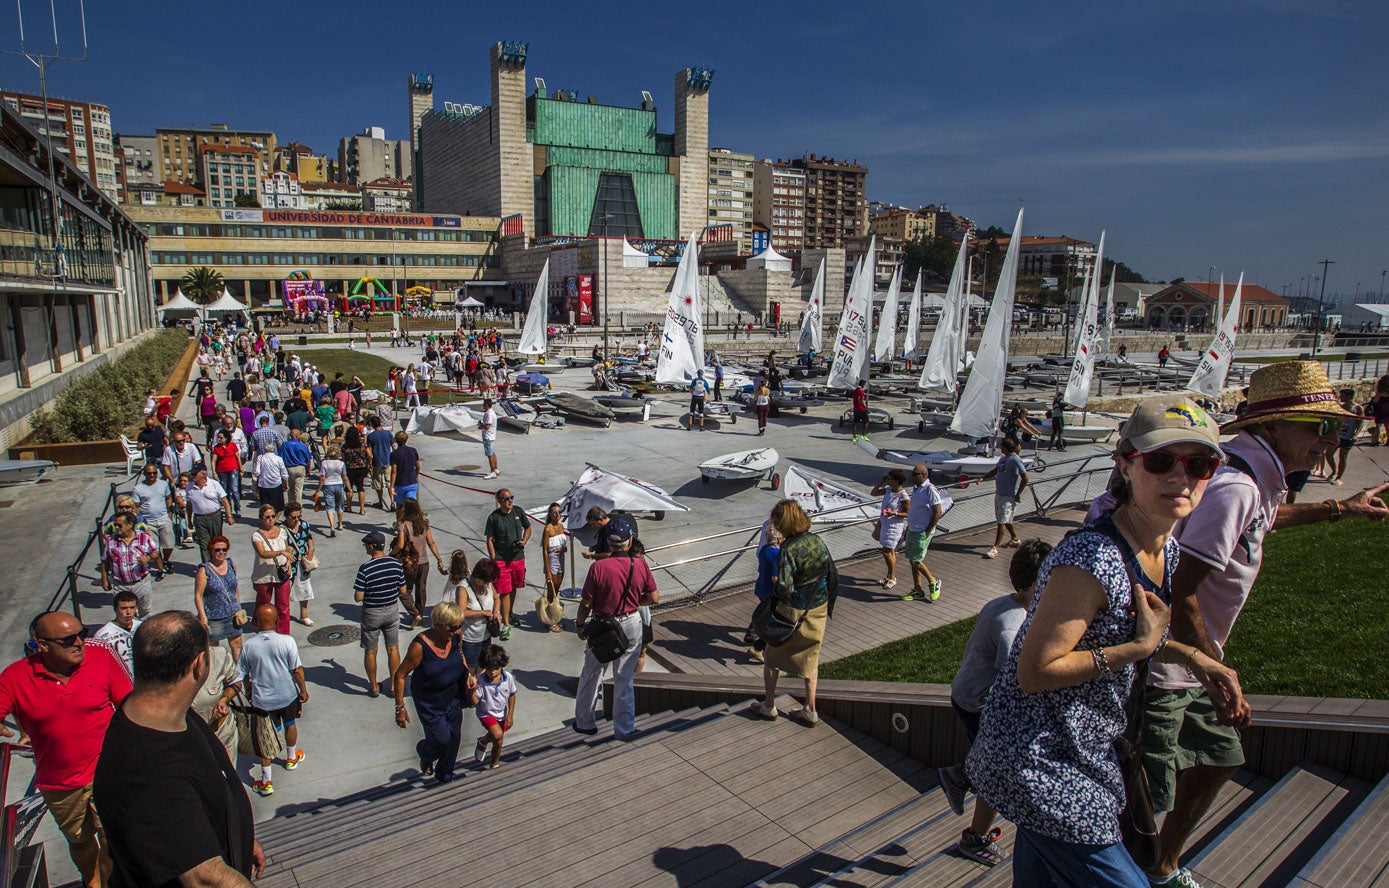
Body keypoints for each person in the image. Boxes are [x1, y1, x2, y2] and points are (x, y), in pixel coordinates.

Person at [966, 395, 1230, 887]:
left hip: (1081, 752)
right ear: (1126, 466)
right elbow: (1036, 670)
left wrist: (1199, 661)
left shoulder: (1163, 550)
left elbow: (1141, 632)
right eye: (1160, 460)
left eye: (1199, 463)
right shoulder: (1090, 558)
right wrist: (1137, 650)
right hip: (1039, 762)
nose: (1181, 475)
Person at [1142, 364, 1389, 887]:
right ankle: (1134, 870)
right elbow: (1180, 588)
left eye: (1334, 428)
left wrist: (1338, 509)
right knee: (1143, 798)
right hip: (1167, 667)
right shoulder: (1236, 484)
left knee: (1219, 759)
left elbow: (1263, 518)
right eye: (1319, 427)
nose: (1330, 440)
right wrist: (1212, 669)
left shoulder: (1253, 477)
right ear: (1276, 426)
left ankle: (1160, 867)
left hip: (1191, 663)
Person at [93, 612, 265, 886]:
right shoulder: (152, 773)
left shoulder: (164, 709)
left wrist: (241, 836)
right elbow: (205, 879)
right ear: (199, 664)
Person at [937, 539, 1054, 866]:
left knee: (997, 766)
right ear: (1034, 584)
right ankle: (965, 795)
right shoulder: (1013, 626)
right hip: (980, 703)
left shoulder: (1005, 604)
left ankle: (964, 779)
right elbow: (1016, 684)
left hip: (968, 693)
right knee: (1000, 770)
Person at [0, 611, 131, 888]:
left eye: (81, 634)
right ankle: (91, 880)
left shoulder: (101, 656)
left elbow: (130, 705)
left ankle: (106, 883)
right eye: (68, 639)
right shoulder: (15, 676)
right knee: (80, 842)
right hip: (59, 783)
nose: (80, 642)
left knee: (114, 837)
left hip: (107, 772)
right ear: (42, 645)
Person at [751, 500, 838, 726]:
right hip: (817, 607)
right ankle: (810, 708)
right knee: (811, 659)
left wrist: (777, 585)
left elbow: (785, 588)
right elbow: (832, 574)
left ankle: (769, 705)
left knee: (772, 659)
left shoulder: (788, 549)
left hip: (791, 612)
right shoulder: (816, 541)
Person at [573, 517, 658, 739]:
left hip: (603, 624)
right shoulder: (640, 564)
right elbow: (654, 598)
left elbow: (587, 603)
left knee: (592, 673)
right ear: (629, 542)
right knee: (624, 677)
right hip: (631, 621)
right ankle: (624, 728)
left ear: (610, 543)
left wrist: (580, 624)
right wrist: (632, 602)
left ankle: (585, 722)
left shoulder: (598, 567)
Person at [392, 602, 476, 784]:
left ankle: (445, 776)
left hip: (452, 696)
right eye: (452, 628)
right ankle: (425, 752)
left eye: (459, 626)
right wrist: (400, 708)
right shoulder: (419, 647)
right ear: (438, 625)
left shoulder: (456, 637)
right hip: (430, 702)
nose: (457, 631)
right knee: (442, 739)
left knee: (454, 738)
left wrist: (467, 673)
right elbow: (400, 675)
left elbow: (460, 655)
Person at [239, 605, 308, 797]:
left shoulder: (248, 646)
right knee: (290, 724)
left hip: (263, 700)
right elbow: (297, 670)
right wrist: (303, 691)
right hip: (287, 695)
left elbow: (243, 674)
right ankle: (291, 758)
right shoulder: (287, 641)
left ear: (256, 622)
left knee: (265, 736)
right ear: (277, 619)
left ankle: (266, 780)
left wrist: (250, 691)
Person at [355, 531, 407, 697]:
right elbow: (403, 590)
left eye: (365, 545)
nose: (365, 548)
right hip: (392, 609)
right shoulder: (396, 564)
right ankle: (393, 686)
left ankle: (374, 687)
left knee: (371, 651)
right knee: (393, 648)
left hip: (372, 612)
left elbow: (358, 597)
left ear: (372, 546)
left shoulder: (365, 569)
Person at [485, 487, 531, 641]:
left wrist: (523, 541)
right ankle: (505, 623)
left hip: (518, 558)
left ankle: (509, 614)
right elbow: (489, 540)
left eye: (511, 497)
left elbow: (528, 527)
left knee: (514, 588)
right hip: (501, 560)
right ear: (499, 501)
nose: (510, 501)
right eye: (506, 499)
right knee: (504, 591)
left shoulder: (518, 512)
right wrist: (493, 559)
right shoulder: (494, 518)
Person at [190, 634, 242, 765]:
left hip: (221, 733)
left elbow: (235, 682)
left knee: (228, 780)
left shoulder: (219, 656)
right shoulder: (169, 668)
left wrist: (224, 699)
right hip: (192, 741)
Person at [101, 511, 163, 618]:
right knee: (124, 614)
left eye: (119, 525)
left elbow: (155, 553)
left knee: (145, 612)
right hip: (121, 585)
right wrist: (104, 579)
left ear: (130, 525)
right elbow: (105, 561)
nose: (116, 528)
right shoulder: (110, 541)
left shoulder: (144, 537)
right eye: (115, 525)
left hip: (141, 583)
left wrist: (148, 557)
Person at [396, 498, 446, 627]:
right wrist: (439, 559)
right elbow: (431, 542)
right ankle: (420, 613)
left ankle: (415, 614)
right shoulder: (424, 524)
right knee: (421, 589)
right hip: (424, 562)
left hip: (409, 562)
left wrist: (391, 554)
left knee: (405, 590)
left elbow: (400, 544)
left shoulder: (403, 524)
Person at [194, 535, 244, 662]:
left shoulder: (231, 564)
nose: (221, 552)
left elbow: (234, 587)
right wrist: (203, 617)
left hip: (232, 614)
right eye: (217, 550)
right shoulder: (204, 570)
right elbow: (198, 595)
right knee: (213, 651)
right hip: (214, 617)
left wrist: (238, 606)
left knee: (237, 646)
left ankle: (242, 676)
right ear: (211, 551)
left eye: (224, 549)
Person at [900, 464, 945, 602]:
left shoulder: (930, 490)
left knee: (917, 560)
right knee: (912, 560)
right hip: (913, 529)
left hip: (922, 531)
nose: (912, 476)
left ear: (924, 475)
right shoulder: (916, 488)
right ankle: (917, 589)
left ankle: (933, 581)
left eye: (915, 474)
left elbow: (938, 511)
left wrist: (928, 530)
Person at [250, 504, 295, 635]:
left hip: (281, 574)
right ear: (261, 519)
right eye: (267, 517)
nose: (271, 519)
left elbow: (288, 549)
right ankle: (262, 626)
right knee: (263, 604)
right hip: (263, 575)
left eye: (273, 516)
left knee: (283, 606)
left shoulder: (282, 531)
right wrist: (281, 552)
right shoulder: (256, 536)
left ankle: (283, 634)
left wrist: (288, 562)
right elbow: (262, 553)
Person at [981, 437, 1030, 559]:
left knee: (1001, 521)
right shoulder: (1003, 458)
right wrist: (983, 478)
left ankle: (995, 548)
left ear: (1006, 447)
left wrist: (1018, 493)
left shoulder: (1015, 460)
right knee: (1006, 519)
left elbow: (1025, 477)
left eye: (1001, 446)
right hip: (1000, 493)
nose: (999, 448)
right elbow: (996, 470)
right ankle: (1015, 539)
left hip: (1008, 495)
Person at [472, 644, 518, 770]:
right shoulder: (480, 680)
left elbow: (512, 695)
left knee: (495, 737)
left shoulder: (507, 677)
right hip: (486, 713)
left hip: (501, 713)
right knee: (498, 736)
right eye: (489, 669)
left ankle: (483, 741)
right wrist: (472, 690)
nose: (492, 673)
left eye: (496, 668)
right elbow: (475, 702)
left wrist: (510, 715)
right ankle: (494, 764)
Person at [869, 469, 910, 590]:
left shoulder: (903, 495)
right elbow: (874, 493)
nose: (888, 481)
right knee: (886, 551)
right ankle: (888, 576)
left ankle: (892, 577)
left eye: (890, 479)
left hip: (894, 526)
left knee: (888, 552)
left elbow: (907, 513)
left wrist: (894, 513)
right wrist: (881, 481)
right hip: (885, 523)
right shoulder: (888, 490)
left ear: (897, 481)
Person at [187, 468, 234, 564]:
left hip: (215, 516)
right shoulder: (190, 487)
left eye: (195, 474)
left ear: (203, 475)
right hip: (199, 519)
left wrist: (229, 515)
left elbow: (224, 500)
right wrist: (189, 520)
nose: (193, 477)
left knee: (217, 542)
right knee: (204, 545)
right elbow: (189, 505)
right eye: (192, 475)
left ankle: (219, 563)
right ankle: (208, 567)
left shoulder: (214, 484)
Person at [282, 504, 316, 627]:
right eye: (293, 517)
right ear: (287, 516)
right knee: (285, 590)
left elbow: (309, 538)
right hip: (288, 564)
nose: (297, 520)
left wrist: (311, 549)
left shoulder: (304, 524)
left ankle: (304, 615)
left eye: (298, 516)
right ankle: (284, 615)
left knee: (304, 587)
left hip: (302, 562)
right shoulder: (281, 528)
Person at [93, 591, 142, 677]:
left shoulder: (142, 627)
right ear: (115, 609)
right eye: (123, 608)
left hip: (142, 680)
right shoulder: (103, 635)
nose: (128, 612)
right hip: (120, 681)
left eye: (132, 607)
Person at [541, 503, 568, 632]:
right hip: (552, 559)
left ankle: (554, 615)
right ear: (550, 515)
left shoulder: (561, 527)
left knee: (556, 589)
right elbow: (545, 550)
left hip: (561, 558)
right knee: (551, 590)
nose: (557, 515)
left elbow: (564, 545)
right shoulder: (548, 529)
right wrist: (547, 570)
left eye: (559, 512)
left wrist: (564, 549)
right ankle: (550, 619)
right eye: (554, 513)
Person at [1329, 387, 1364, 485]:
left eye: (1343, 395)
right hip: (1338, 434)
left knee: (1343, 456)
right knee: (1329, 454)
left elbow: (1360, 422)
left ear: (1349, 396)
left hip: (1348, 436)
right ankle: (1334, 470)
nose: (1341, 397)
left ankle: (1339, 477)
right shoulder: (1341, 406)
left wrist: (1356, 434)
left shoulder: (1357, 408)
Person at [314, 443, 350, 537]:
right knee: (340, 505)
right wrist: (349, 489)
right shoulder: (341, 463)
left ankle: (332, 526)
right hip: (339, 484)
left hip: (328, 485)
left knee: (329, 507)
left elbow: (322, 478)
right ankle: (341, 523)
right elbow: (345, 477)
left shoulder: (324, 463)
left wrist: (318, 490)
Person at [389, 431, 422, 514]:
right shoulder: (413, 450)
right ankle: (412, 524)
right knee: (411, 506)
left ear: (396, 440)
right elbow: (418, 466)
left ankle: (399, 525)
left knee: (399, 506)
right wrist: (416, 475)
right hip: (411, 482)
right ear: (406, 439)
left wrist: (391, 486)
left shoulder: (394, 454)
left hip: (399, 484)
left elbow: (394, 471)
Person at [279, 427, 313, 506]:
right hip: (300, 468)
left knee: (290, 489)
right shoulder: (302, 446)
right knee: (298, 490)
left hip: (289, 468)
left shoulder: (285, 445)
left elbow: (280, 457)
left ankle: (291, 506)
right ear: (298, 436)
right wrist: (308, 470)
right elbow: (308, 459)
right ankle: (298, 507)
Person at [252, 440, 289, 512]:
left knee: (265, 505)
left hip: (264, 484)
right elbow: (284, 472)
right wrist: (286, 483)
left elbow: (257, 471)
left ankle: (267, 519)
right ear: (273, 448)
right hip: (276, 483)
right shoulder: (278, 459)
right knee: (278, 504)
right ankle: (276, 519)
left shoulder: (260, 457)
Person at [479, 397, 501, 480]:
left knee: (489, 454)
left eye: (484, 404)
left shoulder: (488, 414)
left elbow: (487, 426)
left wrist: (481, 425)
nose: (483, 405)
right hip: (491, 435)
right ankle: (496, 470)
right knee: (492, 452)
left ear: (487, 405)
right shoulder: (491, 412)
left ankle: (492, 472)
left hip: (488, 436)